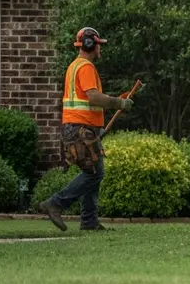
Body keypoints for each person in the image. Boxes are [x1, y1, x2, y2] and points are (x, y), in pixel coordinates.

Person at [37, 27, 135, 232]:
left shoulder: (74, 66)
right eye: (99, 44)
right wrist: (120, 103)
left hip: (79, 128)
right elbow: (93, 97)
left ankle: (89, 222)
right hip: (80, 128)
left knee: (93, 171)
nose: (100, 48)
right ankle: (55, 204)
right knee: (94, 174)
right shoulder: (86, 67)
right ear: (90, 44)